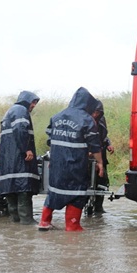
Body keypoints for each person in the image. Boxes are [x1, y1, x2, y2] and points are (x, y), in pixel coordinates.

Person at [38, 87, 104, 231]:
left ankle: (44, 222)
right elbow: (95, 146)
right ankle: (72, 226)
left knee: (54, 191)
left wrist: (53, 158)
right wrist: (100, 163)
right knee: (76, 194)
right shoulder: (87, 120)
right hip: (75, 165)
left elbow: (51, 141)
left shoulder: (56, 117)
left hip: (57, 164)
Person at [0, 91, 41, 225]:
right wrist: (26, 149)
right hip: (19, 160)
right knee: (24, 190)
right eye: (33, 102)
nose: (34, 105)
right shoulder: (21, 110)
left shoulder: (10, 111)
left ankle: (16, 224)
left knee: (11, 191)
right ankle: (27, 222)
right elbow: (20, 130)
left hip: (8, 161)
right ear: (26, 100)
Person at [91, 100, 114, 214]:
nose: (96, 114)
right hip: (87, 155)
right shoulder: (84, 120)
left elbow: (104, 136)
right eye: (94, 112)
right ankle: (85, 205)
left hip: (101, 153)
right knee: (87, 181)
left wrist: (108, 143)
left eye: (98, 112)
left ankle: (99, 207)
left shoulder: (101, 120)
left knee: (102, 180)